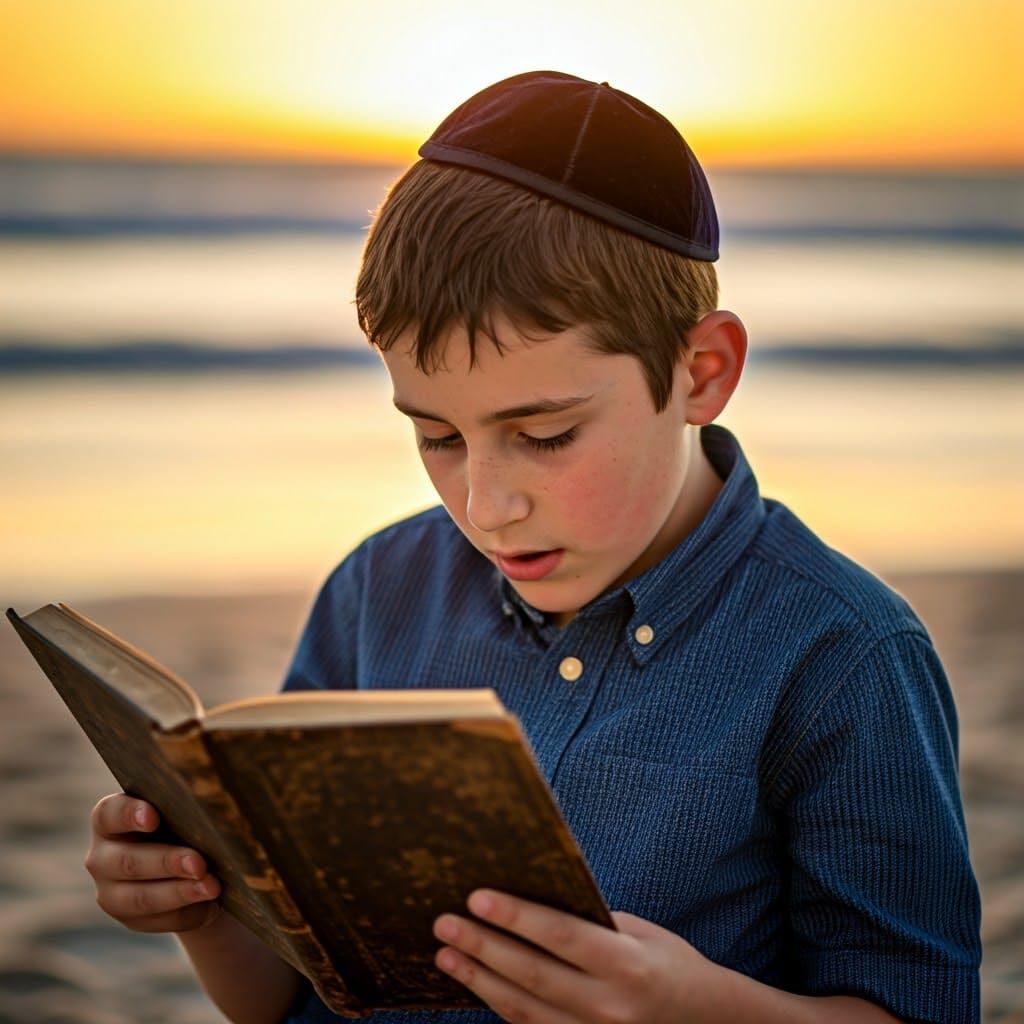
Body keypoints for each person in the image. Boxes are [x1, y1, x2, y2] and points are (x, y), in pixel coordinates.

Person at [85, 71, 982, 1023]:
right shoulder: (376, 591)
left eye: (546, 436)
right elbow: (287, 999)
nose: (486, 505)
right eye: (436, 436)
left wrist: (694, 1008)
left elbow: (920, 1007)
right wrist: (198, 906)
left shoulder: (841, 656)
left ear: (702, 373)